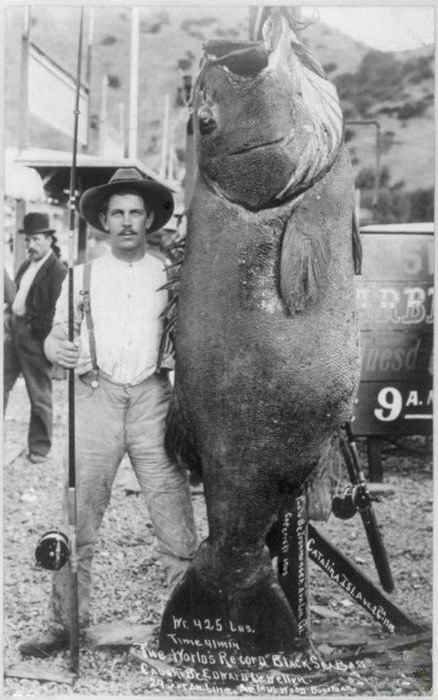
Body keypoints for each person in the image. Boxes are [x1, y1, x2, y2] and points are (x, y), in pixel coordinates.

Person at [19, 168, 198, 657]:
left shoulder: (168, 273)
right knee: (79, 516)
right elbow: (54, 336)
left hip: (151, 401)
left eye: (135, 213)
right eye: (116, 213)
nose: (125, 222)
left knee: (174, 515)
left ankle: (191, 623)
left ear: (149, 220)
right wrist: (61, 350)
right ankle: (64, 625)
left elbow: (191, 339)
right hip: (95, 399)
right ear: (102, 220)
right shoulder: (82, 275)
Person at [3, 212, 66, 463]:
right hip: (14, 334)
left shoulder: (57, 270)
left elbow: (56, 310)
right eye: (28, 240)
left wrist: (38, 333)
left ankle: (39, 448)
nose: (31, 245)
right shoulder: (27, 264)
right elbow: (17, 296)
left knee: (39, 394)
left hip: (36, 338)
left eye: (36, 239)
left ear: (49, 239)